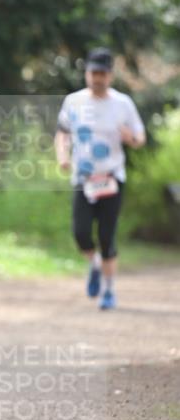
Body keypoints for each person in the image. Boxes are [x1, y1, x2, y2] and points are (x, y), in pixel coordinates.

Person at [55, 47, 146, 310]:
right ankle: (95, 264)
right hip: (83, 179)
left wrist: (132, 139)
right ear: (86, 73)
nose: (97, 78)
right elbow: (62, 132)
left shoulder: (123, 104)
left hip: (112, 178)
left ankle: (108, 289)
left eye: (102, 74)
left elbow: (140, 137)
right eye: (93, 73)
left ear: (111, 76)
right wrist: (62, 155)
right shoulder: (74, 101)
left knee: (107, 236)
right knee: (81, 233)